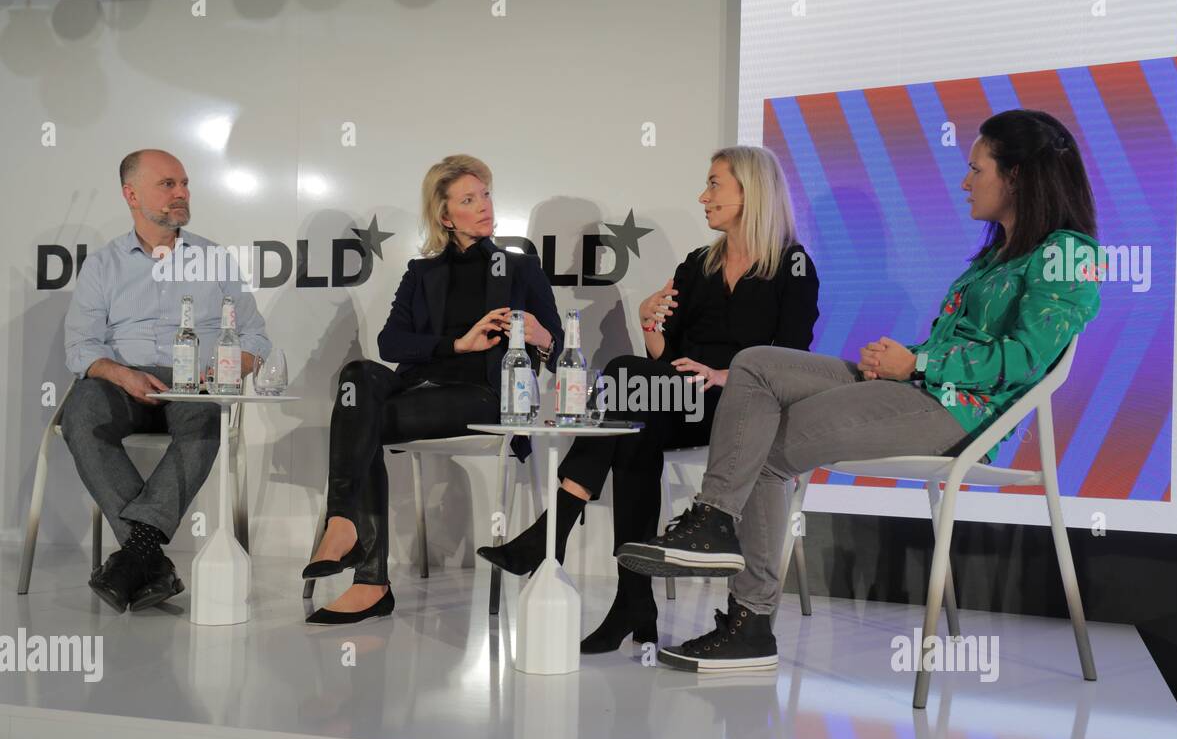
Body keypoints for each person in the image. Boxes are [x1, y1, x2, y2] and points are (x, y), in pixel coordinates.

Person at [617, 109, 1102, 672]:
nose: (965, 182)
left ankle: (749, 623)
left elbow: (1025, 360)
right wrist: (900, 361)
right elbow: (959, 345)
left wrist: (919, 360)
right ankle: (713, 519)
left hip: (960, 416)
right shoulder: (996, 254)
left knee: (770, 450)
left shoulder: (1068, 252)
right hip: (923, 388)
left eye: (976, 169)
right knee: (755, 365)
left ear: (1016, 174)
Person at [478, 146, 819, 653]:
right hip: (683, 398)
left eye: (715, 185)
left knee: (624, 393)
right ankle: (632, 600)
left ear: (751, 191)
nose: (704, 197)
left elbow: (790, 360)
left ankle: (562, 542)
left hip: (747, 411)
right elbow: (668, 357)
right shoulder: (696, 266)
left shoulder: (791, 265)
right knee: (630, 418)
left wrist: (726, 373)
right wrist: (648, 325)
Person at [303, 154, 563, 624]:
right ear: (446, 216)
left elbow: (558, 345)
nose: (483, 205)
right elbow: (391, 342)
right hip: (419, 388)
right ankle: (347, 529)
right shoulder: (421, 274)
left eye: (485, 194)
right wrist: (458, 342)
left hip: (486, 396)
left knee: (359, 425)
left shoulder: (521, 267)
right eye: (469, 199)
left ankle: (365, 573)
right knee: (359, 373)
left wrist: (536, 332)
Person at [62, 149, 271, 612]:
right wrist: (122, 374)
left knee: (206, 413)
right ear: (131, 194)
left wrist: (233, 365)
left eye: (184, 183)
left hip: (195, 383)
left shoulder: (214, 259)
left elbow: (256, 334)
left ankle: (136, 555)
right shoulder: (103, 265)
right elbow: (81, 347)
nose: (182, 193)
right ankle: (149, 556)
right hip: (123, 381)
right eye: (168, 184)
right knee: (81, 414)